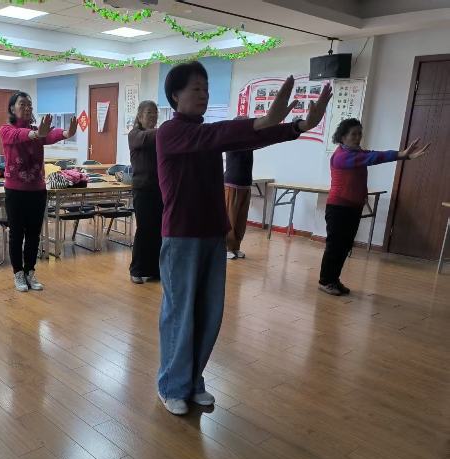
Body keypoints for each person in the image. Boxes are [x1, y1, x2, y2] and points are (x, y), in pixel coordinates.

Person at [156, 62, 332, 415]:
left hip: (212, 234)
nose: (204, 94)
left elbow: (241, 138)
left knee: (209, 314)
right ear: (175, 95)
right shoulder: (170, 132)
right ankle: (172, 385)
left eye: (206, 88)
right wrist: (263, 120)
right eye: (195, 88)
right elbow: (222, 134)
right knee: (180, 314)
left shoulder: (205, 132)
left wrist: (297, 127)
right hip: (182, 236)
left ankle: (193, 382)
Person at [319, 118, 429, 295]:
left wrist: (404, 155)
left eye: (359, 134)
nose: (358, 137)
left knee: (345, 246)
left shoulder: (356, 152)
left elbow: (371, 155)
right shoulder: (342, 157)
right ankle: (325, 281)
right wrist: (401, 154)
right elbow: (373, 157)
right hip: (339, 208)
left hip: (352, 207)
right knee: (335, 246)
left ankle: (333, 279)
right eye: (353, 134)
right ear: (342, 137)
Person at [0, 91, 77, 292]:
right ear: (12, 108)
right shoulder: (6, 130)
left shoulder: (38, 131)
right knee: (17, 234)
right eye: (22, 104)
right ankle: (18, 273)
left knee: (34, 234)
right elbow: (19, 135)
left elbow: (50, 134)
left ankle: (30, 272)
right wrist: (36, 134)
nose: (27, 108)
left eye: (29, 105)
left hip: (37, 190)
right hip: (15, 191)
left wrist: (66, 133)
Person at [128, 100, 162, 283]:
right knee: (145, 229)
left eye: (155, 113)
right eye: (149, 113)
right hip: (142, 189)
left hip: (159, 188)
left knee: (159, 230)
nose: (153, 116)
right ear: (140, 116)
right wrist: (169, 130)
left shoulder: (157, 136)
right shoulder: (135, 134)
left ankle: (155, 269)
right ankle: (137, 269)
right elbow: (146, 138)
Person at [224, 116, 254, 260]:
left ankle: (236, 247)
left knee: (241, 220)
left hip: (246, 184)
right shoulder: (232, 140)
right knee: (230, 219)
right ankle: (227, 248)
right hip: (232, 184)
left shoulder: (250, 141)